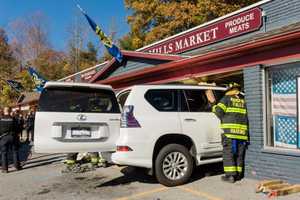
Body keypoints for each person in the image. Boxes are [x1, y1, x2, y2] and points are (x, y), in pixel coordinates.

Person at [211, 82, 249, 183]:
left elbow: (218, 112)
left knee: (228, 154)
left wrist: (213, 105)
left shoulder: (226, 99)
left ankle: (230, 176)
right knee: (239, 155)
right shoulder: (243, 100)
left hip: (229, 133)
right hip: (242, 133)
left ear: (229, 90)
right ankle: (239, 175)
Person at [0, 107, 22, 173]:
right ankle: (17, 166)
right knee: (15, 152)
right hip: (13, 137)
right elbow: (18, 128)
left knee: (4, 153)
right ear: (10, 111)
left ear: (4, 111)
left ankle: (5, 169)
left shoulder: (1, 119)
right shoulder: (13, 119)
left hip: (3, 138)